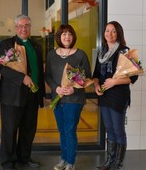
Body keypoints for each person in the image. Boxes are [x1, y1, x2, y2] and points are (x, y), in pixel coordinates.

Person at [0, 14, 45, 170]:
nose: (24, 29)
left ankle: (24, 158)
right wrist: (21, 77)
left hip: (32, 95)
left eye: (27, 26)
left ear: (30, 27)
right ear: (15, 27)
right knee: (9, 131)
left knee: (28, 130)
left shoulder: (36, 46)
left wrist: (41, 95)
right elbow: (2, 68)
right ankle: (7, 162)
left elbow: (39, 71)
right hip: (13, 97)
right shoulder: (7, 44)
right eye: (21, 26)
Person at [92, 21, 138, 170]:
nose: (109, 34)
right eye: (107, 31)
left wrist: (115, 82)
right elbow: (96, 75)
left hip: (118, 96)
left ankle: (118, 164)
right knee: (109, 129)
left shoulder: (124, 51)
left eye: (113, 31)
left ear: (118, 33)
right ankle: (109, 161)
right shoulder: (102, 51)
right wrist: (97, 85)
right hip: (104, 96)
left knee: (118, 130)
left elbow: (133, 77)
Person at [45, 24, 91, 170]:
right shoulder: (52, 54)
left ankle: (70, 161)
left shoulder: (80, 54)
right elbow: (48, 76)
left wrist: (73, 89)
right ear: (59, 36)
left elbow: (86, 77)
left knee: (70, 130)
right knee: (62, 130)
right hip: (57, 98)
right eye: (64, 34)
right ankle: (63, 158)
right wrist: (56, 87)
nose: (67, 37)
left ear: (73, 36)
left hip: (74, 99)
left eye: (70, 34)